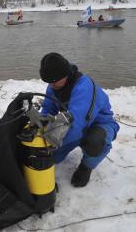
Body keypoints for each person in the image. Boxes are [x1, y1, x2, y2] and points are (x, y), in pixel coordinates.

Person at [39, 53, 119, 187]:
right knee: (50, 147)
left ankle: (86, 166)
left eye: (54, 81)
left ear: (65, 74)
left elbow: (76, 127)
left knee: (95, 142)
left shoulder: (83, 87)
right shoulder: (55, 84)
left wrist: (52, 151)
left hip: (100, 125)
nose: (51, 86)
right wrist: (42, 127)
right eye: (49, 82)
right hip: (74, 122)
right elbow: (48, 108)